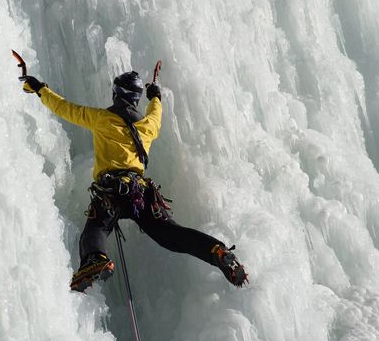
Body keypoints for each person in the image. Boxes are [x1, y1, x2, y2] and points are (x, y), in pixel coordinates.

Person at [20, 70, 248, 291]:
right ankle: (216, 251)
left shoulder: (101, 119)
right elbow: (156, 113)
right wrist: (155, 94)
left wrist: (40, 89)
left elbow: (66, 108)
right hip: (141, 192)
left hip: (112, 190)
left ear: (116, 94)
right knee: (171, 234)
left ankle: (95, 258)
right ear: (135, 99)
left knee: (96, 228)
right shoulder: (147, 127)